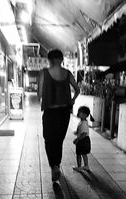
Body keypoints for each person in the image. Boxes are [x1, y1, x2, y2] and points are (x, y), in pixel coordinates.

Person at [37, 49, 80, 183]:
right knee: (59, 140)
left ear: (50, 60)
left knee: (49, 139)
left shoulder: (44, 72)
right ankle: (57, 165)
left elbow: (39, 92)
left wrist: (43, 100)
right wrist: (72, 100)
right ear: (61, 59)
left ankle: (54, 166)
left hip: (50, 112)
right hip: (64, 112)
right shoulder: (67, 73)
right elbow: (77, 89)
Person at [73, 106, 93, 171]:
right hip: (85, 140)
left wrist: (77, 139)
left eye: (80, 112)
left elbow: (84, 134)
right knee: (84, 154)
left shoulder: (83, 123)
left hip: (82, 140)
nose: (78, 113)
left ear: (85, 115)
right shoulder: (83, 121)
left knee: (78, 154)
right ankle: (86, 166)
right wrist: (77, 132)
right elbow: (83, 131)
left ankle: (79, 167)